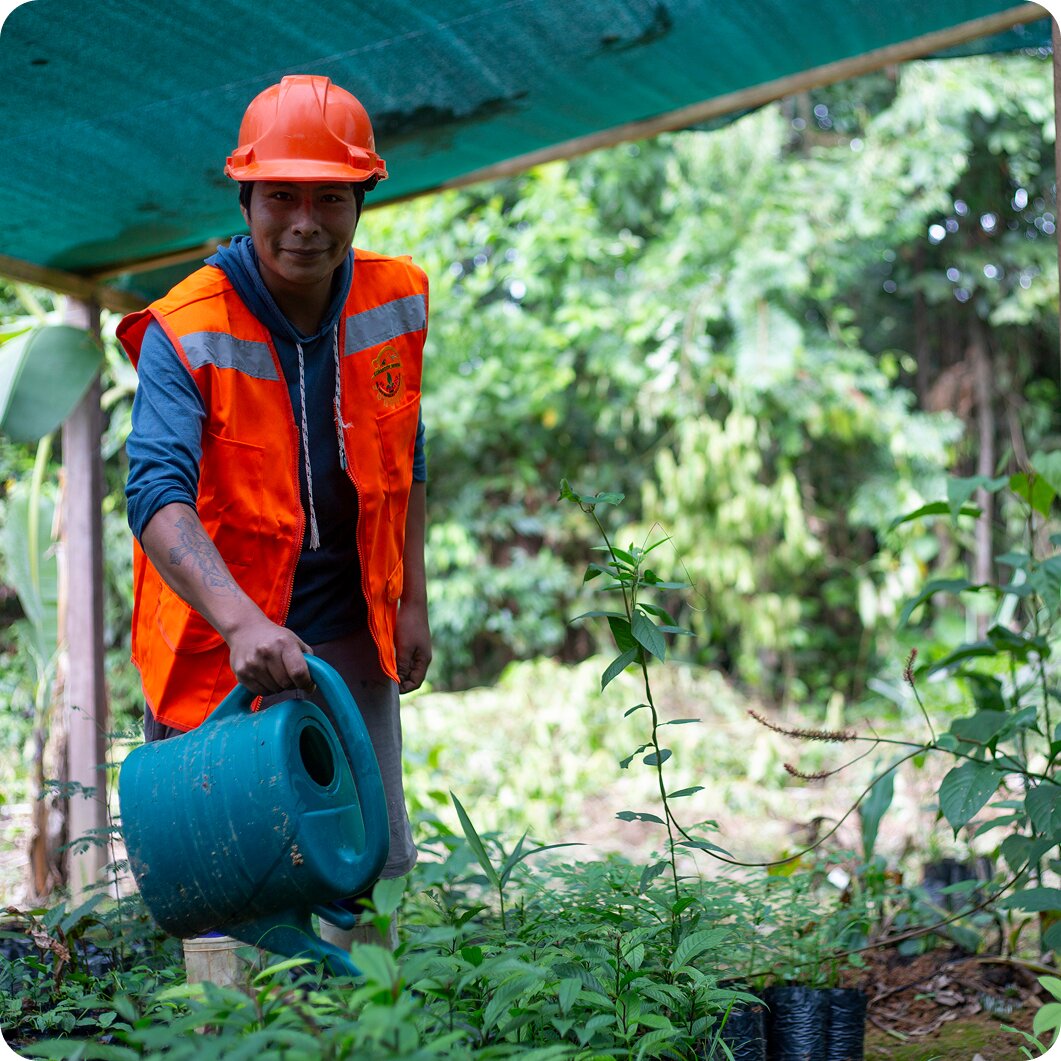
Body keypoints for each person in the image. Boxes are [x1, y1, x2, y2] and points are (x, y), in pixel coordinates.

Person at [117, 75, 431, 950]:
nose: (305, 222)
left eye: (330, 197)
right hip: (219, 655)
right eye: (281, 196)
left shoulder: (394, 300)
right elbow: (154, 495)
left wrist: (413, 599)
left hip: (346, 639)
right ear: (245, 196)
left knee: (364, 876)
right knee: (227, 890)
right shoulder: (189, 327)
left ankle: (364, 1040)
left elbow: (409, 460)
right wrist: (243, 623)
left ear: (361, 199)